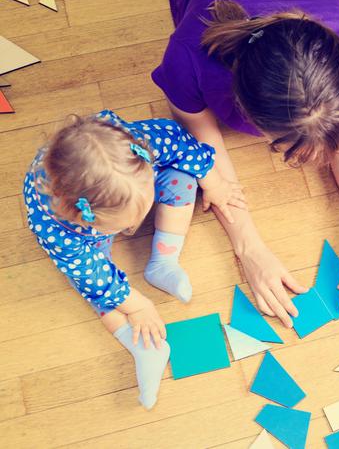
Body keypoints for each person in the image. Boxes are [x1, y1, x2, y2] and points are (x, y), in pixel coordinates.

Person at [152, 0, 339, 325]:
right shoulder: (187, 58)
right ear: (243, 111)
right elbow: (204, 153)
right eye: (284, 146)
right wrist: (247, 247)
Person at [23, 110, 244, 408]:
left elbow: (184, 146)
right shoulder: (60, 229)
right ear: (86, 218)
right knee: (88, 279)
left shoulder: (140, 147)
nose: (132, 230)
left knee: (184, 177)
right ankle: (140, 345)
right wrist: (138, 306)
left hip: (116, 190)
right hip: (83, 238)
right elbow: (97, 280)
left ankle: (164, 261)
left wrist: (214, 183)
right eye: (124, 226)